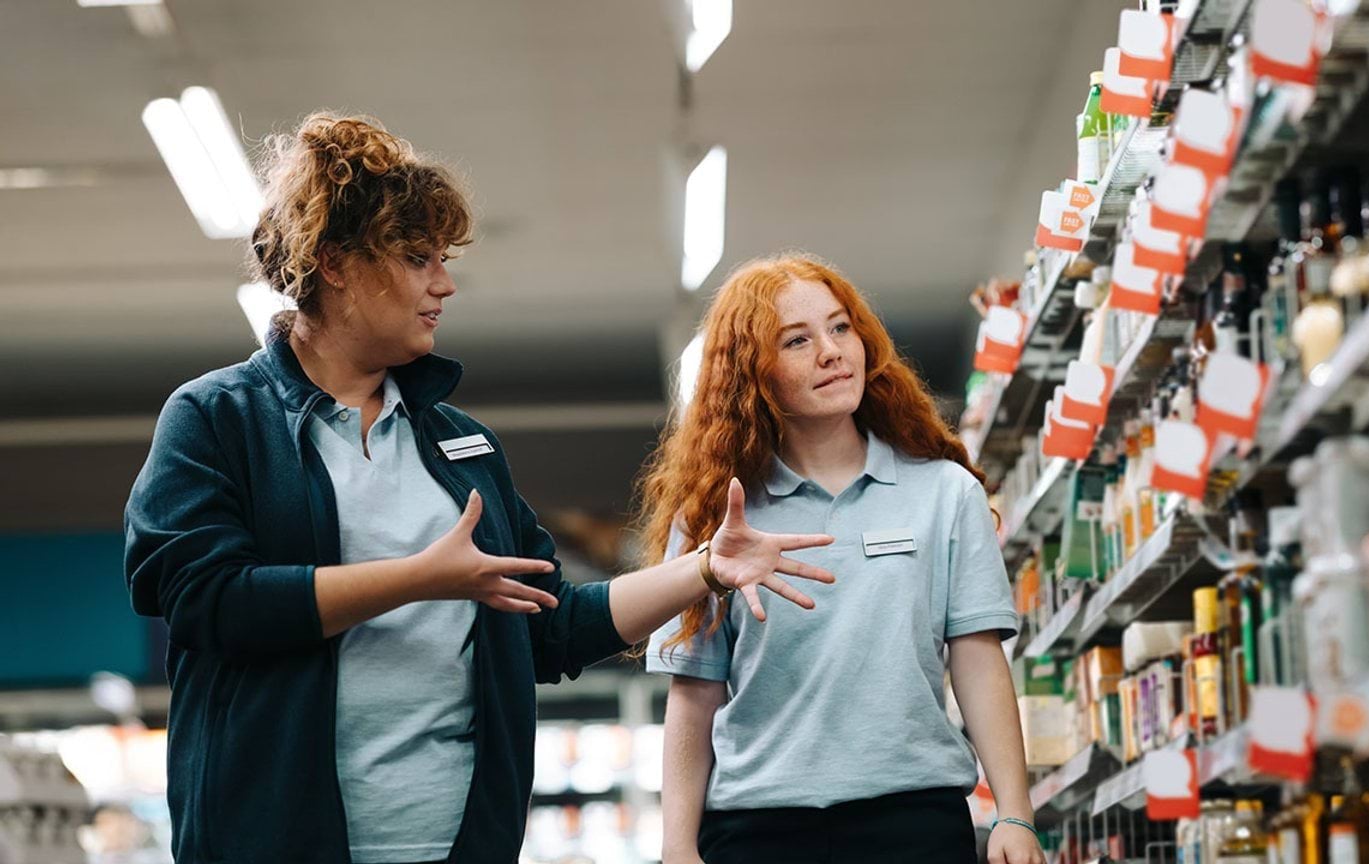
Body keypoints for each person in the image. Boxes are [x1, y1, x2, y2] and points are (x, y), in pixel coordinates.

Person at [123, 114, 836, 864]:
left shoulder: (457, 443)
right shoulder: (217, 418)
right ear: (335, 263)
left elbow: (547, 625)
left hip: (454, 844)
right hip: (270, 842)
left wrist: (701, 572)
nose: (445, 282)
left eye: (445, 257)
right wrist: (417, 580)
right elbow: (205, 601)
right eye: (418, 257)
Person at [639, 255, 1048, 864]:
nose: (831, 352)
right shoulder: (716, 517)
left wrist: (1016, 813)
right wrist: (677, 846)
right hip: (757, 830)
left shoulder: (944, 493)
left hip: (914, 820)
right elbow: (694, 691)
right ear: (755, 375)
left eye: (841, 328)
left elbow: (977, 655)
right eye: (797, 341)